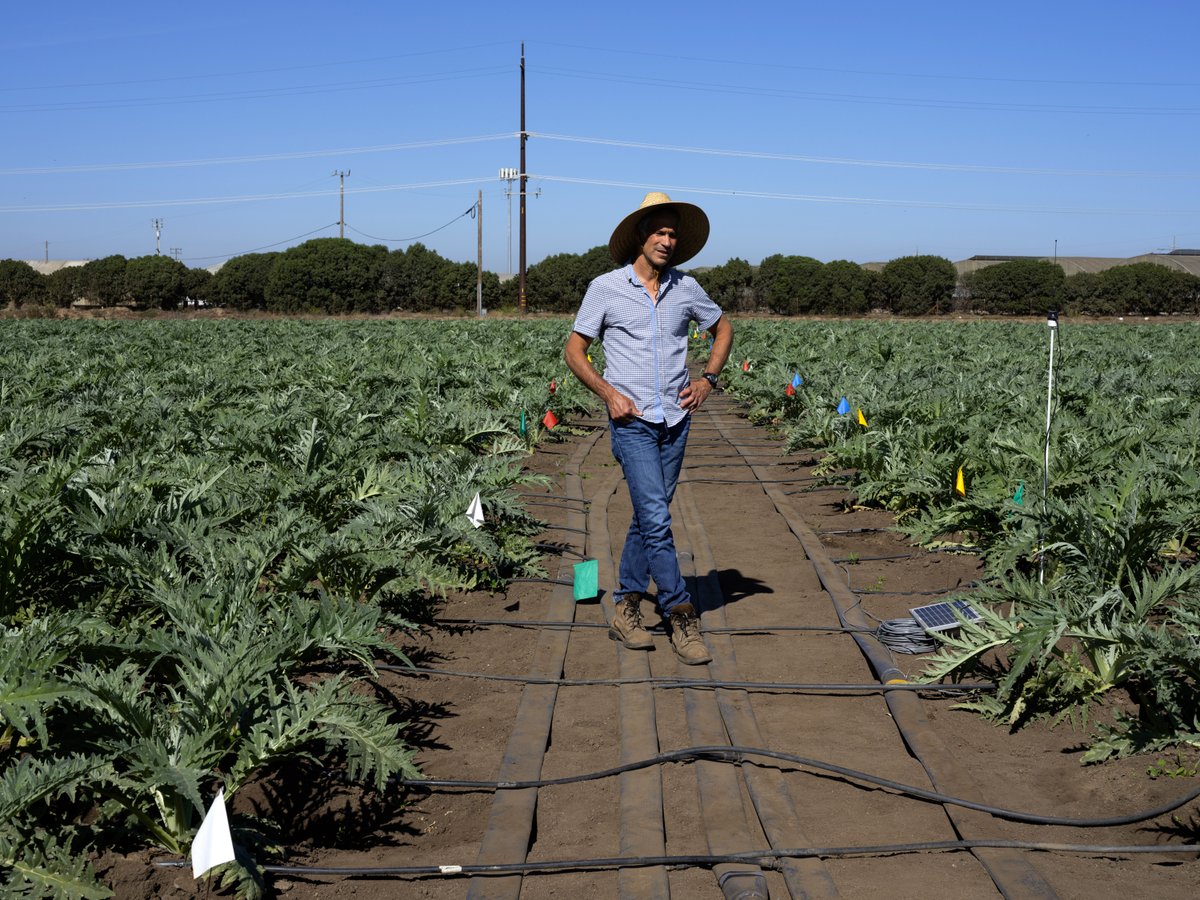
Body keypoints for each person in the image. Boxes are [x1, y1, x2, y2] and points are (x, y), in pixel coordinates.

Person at [564, 192, 733, 665]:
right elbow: (574, 352)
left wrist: (709, 379)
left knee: (646, 517)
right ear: (640, 237)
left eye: (673, 234)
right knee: (658, 519)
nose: (666, 240)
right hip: (632, 421)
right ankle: (681, 615)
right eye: (659, 232)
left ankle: (626, 611)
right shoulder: (605, 288)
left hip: (675, 420)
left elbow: (723, 327)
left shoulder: (687, 288)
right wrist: (608, 393)